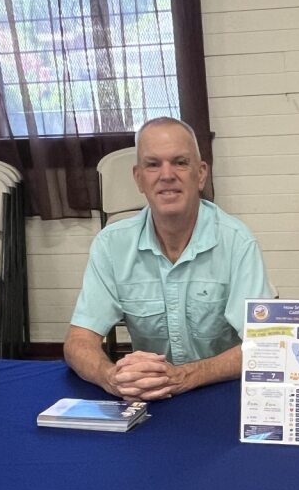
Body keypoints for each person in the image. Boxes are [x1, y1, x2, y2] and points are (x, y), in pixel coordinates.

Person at [64, 117, 272, 401]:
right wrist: (110, 377)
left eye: (180, 162)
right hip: (150, 399)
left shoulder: (237, 242)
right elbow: (78, 341)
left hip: (222, 393)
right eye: (153, 164)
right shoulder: (111, 245)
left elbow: (264, 344)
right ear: (138, 178)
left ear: (200, 174)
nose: (167, 175)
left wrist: (187, 376)